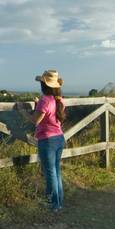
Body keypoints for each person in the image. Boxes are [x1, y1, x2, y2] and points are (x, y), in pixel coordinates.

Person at [14, 70, 66, 212]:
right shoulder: (59, 99)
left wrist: (21, 110)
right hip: (59, 138)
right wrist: (38, 104)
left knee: (50, 172)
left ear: (44, 85)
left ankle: (52, 204)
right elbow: (49, 113)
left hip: (47, 140)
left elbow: (35, 120)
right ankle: (58, 202)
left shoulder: (45, 100)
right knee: (56, 171)